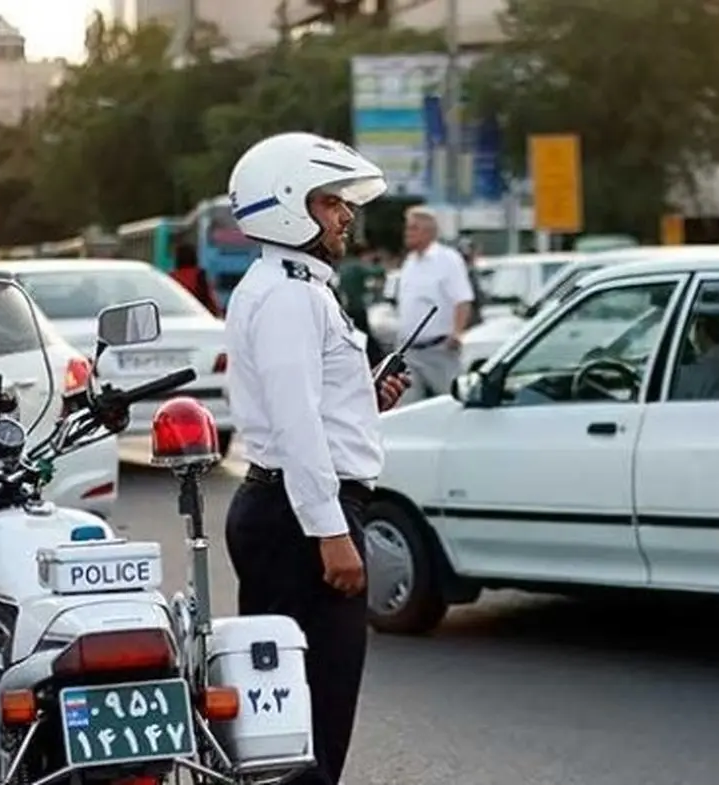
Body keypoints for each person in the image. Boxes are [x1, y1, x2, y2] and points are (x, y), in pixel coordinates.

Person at [222, 132, 410, 785]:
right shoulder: (288, 294)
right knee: (308, 718)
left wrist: (367, 398)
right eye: (331, 202)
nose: (345, 216)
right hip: (297, 519)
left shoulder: (295, 286)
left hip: (288, 508)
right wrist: (331, 532)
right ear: (288, 206)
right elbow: (296, 424)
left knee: (297, 715)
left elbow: (310, 409)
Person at [394, 206, 476, 405]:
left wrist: (457, 332)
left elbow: (463, 299)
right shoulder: (410, 263)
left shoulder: (447, 260)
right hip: (409, 352)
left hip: (438, 349)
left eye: (414, 228)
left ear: (429, 231)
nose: (408, 233)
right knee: (407, 410)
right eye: (408, 228)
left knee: (452, 403)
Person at [335, 241, 387, 366]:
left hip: (345, 308)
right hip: (357, 307)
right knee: (366, 335)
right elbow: (377, 271)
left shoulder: (344, 266)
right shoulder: (357, 266)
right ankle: (377, 359)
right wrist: (379, 262)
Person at [169, 242, 220, 315]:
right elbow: (209, 298)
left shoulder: (171, 277)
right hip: (197, 313)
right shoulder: (200, 274)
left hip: (178, 314)